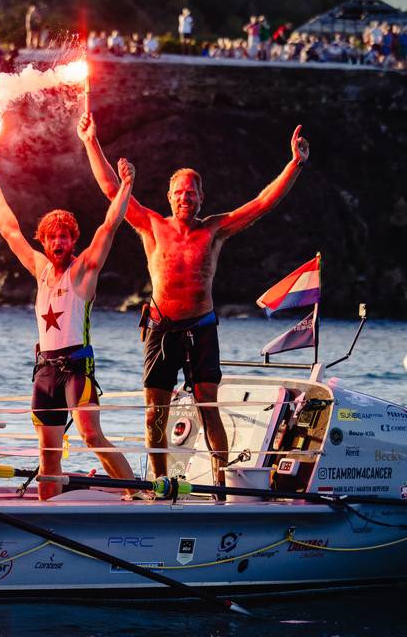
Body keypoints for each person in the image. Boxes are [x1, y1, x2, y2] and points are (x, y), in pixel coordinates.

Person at [76, 113, 310, 484]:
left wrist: (295, 164)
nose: (185, 198)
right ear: (169, 197)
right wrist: (91, 141)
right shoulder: (152, 224)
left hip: (201, 329)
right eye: (179, 192)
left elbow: (263, 203)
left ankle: (221, 483)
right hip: (161, 327)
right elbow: (110, 189)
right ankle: (160, 481)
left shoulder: (215, 229)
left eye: (192, 192)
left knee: (208, 408)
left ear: (202, 197)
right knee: (155, 412)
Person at [0, 158, 139, 500]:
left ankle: (137, 495)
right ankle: (46, 511)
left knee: (91, 435)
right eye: (52, 237)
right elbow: (10, 231)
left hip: (76, 370)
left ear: (73, 241)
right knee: (47, 453)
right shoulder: (40, 270)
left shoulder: (82, 271)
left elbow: (108, 228)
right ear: (43, 241)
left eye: (65, 237)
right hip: (45, 372)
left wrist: (126, 186)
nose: (58, 243)